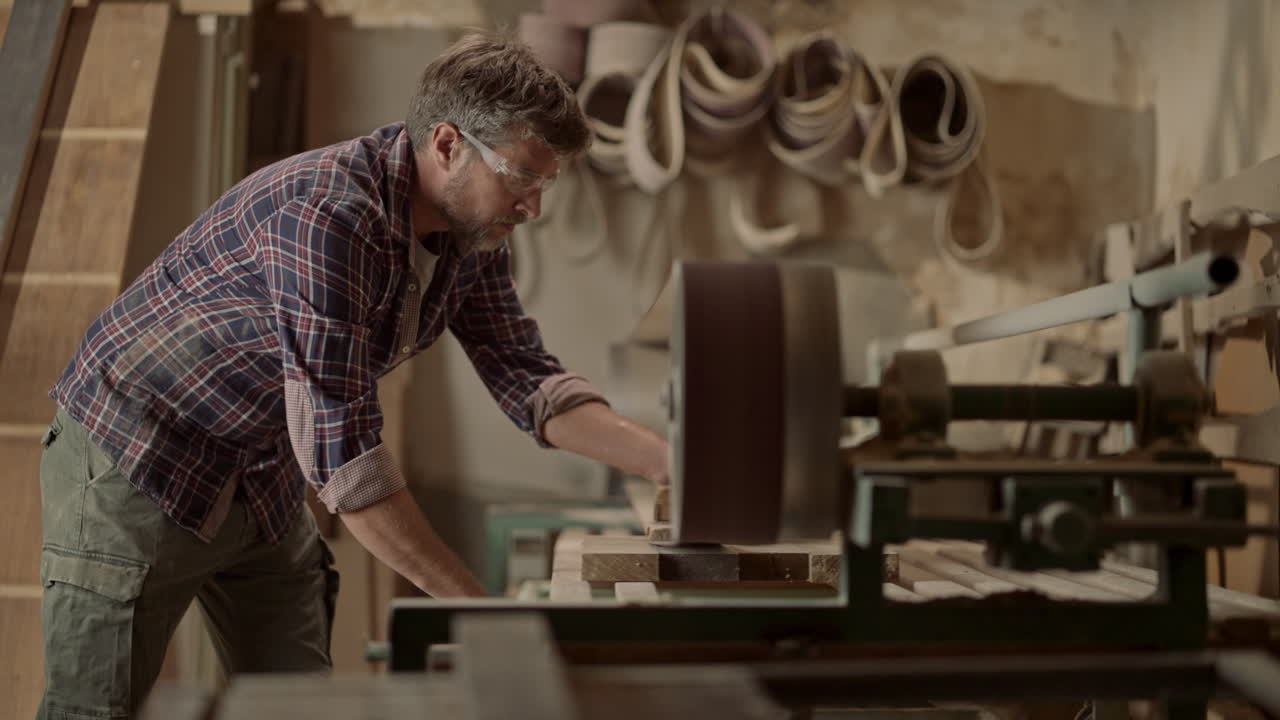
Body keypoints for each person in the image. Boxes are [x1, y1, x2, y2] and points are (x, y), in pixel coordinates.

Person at [37, 31, 669, 719]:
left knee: (296, 703)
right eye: (520, 178)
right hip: (139, 459)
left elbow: (527, 378)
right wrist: (483, 612)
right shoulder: (328, 217)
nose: (532, 208)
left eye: (544, 184)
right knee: (91, 711)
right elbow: (348, 462)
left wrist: (672, 464)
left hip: (261, 467)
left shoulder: (472, 235)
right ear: (448, 144)